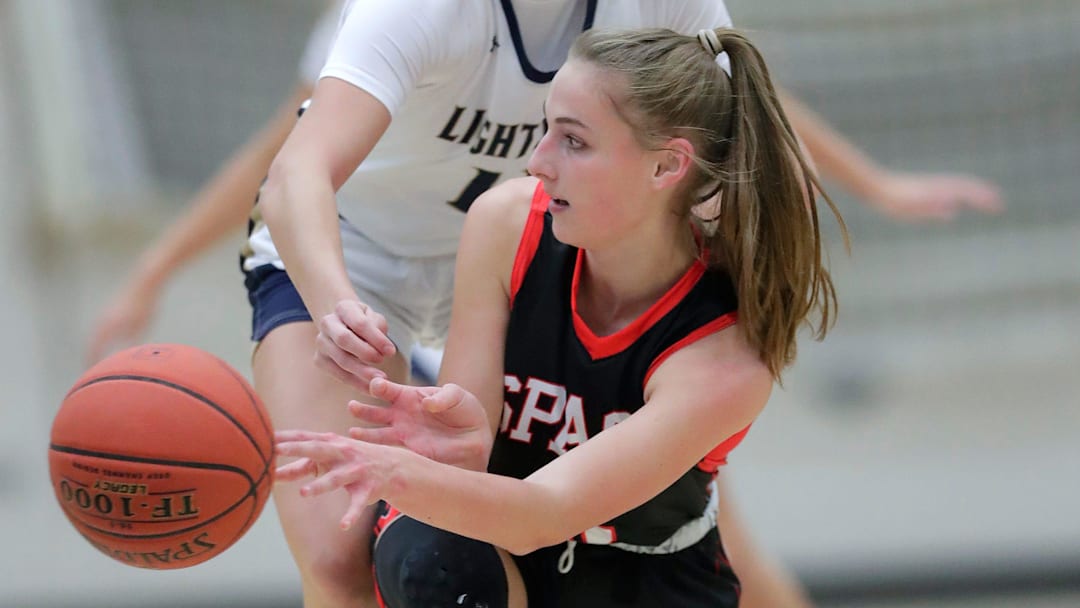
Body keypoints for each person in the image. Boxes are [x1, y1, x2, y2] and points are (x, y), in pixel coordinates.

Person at [84, 2, 1001, 607]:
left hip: (548, 253)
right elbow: (290, 167)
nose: (539, 148)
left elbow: (742, 107)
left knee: (703, 537)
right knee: (346, 549)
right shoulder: (417, 17)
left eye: (571, 136)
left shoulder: (654, 26)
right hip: (364, 260)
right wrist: (321, 304)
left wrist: (865, 187)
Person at [274, 25, 844, 607]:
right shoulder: (506, 223)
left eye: (573, 141)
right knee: (434, 563)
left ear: (666, 166)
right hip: (500, 548)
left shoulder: (723, 355)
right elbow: (466, 459)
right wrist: (458, 446)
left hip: (639, 580)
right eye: (544, 128)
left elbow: (544, 513)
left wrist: (391, 470)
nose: (537, 162)